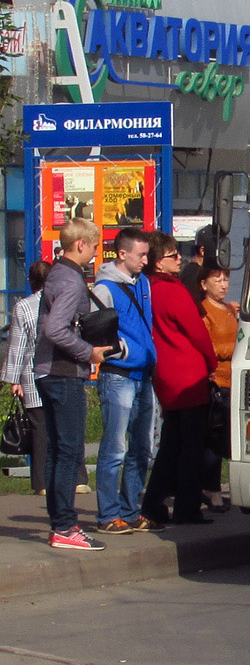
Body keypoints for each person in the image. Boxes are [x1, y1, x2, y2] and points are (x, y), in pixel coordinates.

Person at [34, 218, 111, 551]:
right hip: (64, 371)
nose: (96, 254)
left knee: (56, 452)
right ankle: (65, 526)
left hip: (48, 371)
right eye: (95, 247)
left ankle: (59, 524)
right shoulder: (71, 280)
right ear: (81, 244)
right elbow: (55, 329)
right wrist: (89, 352)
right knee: (69, 452)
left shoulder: (57, 273)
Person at [140, 231, 218, 525]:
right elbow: (197, 331)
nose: (179, 259)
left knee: (171, 444)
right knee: (191, 447)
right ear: (159, 263)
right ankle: (186, 507)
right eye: (173, 255)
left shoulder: (147, 288)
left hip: (165, 376)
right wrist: (211, 361)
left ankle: (153, 502)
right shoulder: (172, 290)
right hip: (188, 376)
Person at [91, 228, 163, 534]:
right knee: (115, 447)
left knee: (142, 447)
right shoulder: (105, 288)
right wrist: (120, 349)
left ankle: (130, 509)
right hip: (118, 376)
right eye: (141, 254)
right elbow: (94, 330)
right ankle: (108, 514)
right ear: (122, 254)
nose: (146, 260)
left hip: (143, 375)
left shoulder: (143, 282)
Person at [2, 261, 90, 496]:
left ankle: (42, 482)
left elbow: (17, 346)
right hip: (66, 368)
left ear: (31, 280)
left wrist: (13, 379)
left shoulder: (24, 306)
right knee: (71, 427)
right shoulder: (64, 298)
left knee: (41, 428)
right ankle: (79, 478)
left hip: (33, 372)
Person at [199, 260, 238, 513]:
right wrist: (234, 350)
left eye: (225, 279)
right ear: (204, 284)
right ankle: (210, 489)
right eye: (217, 280)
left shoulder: (228, 309)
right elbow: (206, 347)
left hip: (234, 382)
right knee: (214, 439)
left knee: (228, 439)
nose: (223, 285)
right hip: (216, 382)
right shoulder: (204, 311)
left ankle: (222, 486)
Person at [179, 224, 215, 297]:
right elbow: (197, 302)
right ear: (202, 251)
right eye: (215, 250)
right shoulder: (192, 273)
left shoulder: (200, 270)